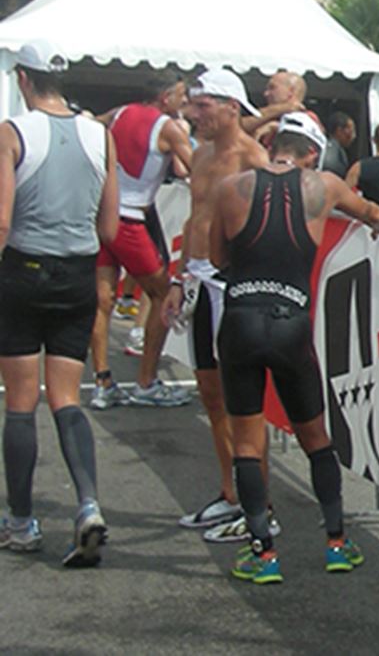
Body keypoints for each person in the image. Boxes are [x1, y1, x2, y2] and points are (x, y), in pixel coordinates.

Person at [209, 112, 379, 584]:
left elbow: (216, 257)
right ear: (311, 153)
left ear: (275, 145)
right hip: (290, 321)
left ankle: (263, 552)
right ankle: (336, 543)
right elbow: (375, 216)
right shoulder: (324, 185)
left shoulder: (231, 187)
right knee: (315, 437)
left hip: (239, 319)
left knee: (248, 445)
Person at [0, 39, 119, 567]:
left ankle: (22, 522)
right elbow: (110, 225)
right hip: (77, 274)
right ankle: (88, 502)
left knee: (21, 400)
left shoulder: (11, 133)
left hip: (23, 272)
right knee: (66, 397)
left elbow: (2, 219)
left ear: (23, 80)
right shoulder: (101, 135)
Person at [162, 68, 272, 539]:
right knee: (209, 392)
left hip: (235, 284)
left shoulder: (253, 156)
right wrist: (178, 278)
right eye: (192, 105)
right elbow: (194, 219)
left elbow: (275, 219)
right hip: (200, 279)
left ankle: (259, 506)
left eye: (202, 106)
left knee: (244, 399)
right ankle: (230, 494)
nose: (192, 113)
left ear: (231, 106)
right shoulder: (203, 152)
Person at [89, 68, 195, 409]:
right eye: (181, 96)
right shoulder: (167, 127)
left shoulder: (120, 112)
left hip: (103, 213)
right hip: (130, 220)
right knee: (164, 297)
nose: (185, 102)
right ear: (166, 97)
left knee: (102, 300)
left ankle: (103, 381)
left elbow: (91, 122)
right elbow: (193, 169)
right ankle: (146, 382)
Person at [241, 70, 317, 146]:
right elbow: (240, 125)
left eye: (272, 88)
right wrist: (283, 108)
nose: (266, 94)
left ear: (291, 91)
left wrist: (277, 127)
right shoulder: (268, 118)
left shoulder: (308, 119)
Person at [321, 111, 356, 176]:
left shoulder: (338, 149)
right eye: (351, 131)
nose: (353, 136)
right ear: (339, 131)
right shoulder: (332, 152)